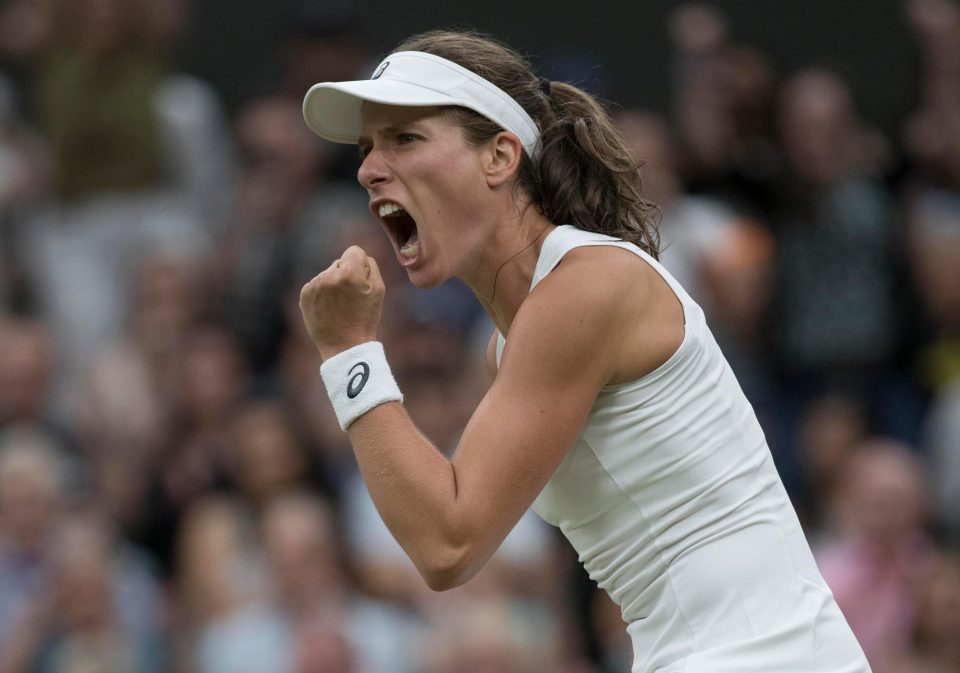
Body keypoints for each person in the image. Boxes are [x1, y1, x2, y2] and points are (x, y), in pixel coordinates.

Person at [297, 29, 872, 673]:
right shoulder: (513, 343)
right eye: (367, 147)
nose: (369, 168)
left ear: (499, 157)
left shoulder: (587, 288)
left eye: (405, 139)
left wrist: (349, 351)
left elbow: (447, 544)